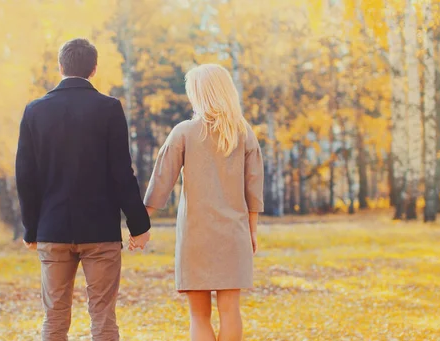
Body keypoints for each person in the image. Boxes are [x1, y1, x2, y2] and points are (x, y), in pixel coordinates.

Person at [15, 38, 151, 341]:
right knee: (103, 315)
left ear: (60, 66)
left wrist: (30, 229)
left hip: (52, 229)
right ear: (94, 69)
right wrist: (139, 224)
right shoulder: (109, 108)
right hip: (100, 231)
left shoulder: (34, 111)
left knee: (54, 316)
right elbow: (121, 173)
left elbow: (25, 177)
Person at [137, 64, 264, 341]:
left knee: (198, 316)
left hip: (196, 236)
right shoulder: (244, 133)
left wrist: (140, 222)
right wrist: (252, 231)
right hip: (234, 234)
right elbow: (254, 189)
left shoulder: (184, 132)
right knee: (231, 311)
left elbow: (161, 182)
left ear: (199, 94)